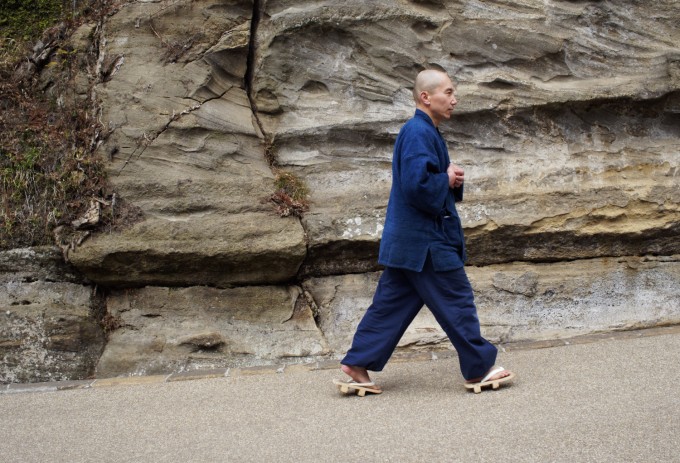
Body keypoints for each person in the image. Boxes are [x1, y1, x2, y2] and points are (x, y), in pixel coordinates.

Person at [333, 69, 515, 396]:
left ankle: (357, 363)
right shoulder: (418, 131)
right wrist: (444, 179)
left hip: (410, 244)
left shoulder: (422, 131)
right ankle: (479, 369)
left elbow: (422, 181)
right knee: (456, 300)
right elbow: (416, 186)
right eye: (448, 92)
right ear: (426, 97)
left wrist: (449, 179)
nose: (454, 99)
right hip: (427, 243)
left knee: (391, 305)